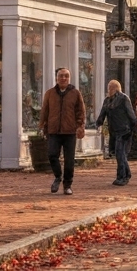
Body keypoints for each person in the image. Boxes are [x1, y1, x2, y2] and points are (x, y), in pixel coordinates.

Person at [40, 67, 86, 195]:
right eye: (61, 76)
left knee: (69, 159)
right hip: (53, 130)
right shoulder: (49, 93)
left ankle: (67, 185)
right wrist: (43, 126)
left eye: (66, 76)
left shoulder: (75, 93)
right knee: (52, 155)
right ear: (56, 78)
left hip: (70, 131)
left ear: (69, 78)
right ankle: (58, 176)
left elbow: (81, 111)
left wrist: (80, 126)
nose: (63, 78)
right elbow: (45, 111)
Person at [95, 79, 137, 186]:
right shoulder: (107, 100)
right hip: (114, 131)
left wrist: (134, 127)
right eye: (108, 88)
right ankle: (125, 175)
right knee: (119, 153)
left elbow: (131, 114)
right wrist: (98, 123)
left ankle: (122, 176)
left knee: (120, 153)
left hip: (124, 130)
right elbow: (102, 113)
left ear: (116, 88)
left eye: (111, 88)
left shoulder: (124, 98)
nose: (109, 90)